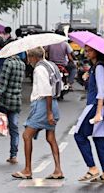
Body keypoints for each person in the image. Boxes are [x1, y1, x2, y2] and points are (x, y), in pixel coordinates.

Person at [12, 47, 63, 179]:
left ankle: (27, 170)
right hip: (53, 104)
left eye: (29, 58)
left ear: (34, 57)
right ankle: (58, 170)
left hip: (43, 105)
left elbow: (46, 91)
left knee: (26, 135)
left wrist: (49, 112)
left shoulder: (39, 69)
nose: (28, 62)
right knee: (51, 138)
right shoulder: (51, 65)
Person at [73, 45, 104, 183]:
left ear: (97, 51)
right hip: (96, 107)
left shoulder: (99, 67)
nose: (87, 53)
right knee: (99, 138)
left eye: (89, 50)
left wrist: (98, 112)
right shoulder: (95, 68)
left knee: (79, 136)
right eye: (86, 50)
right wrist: (86, 78)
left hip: (94, 106)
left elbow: (101, 92)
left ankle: (92, 168)